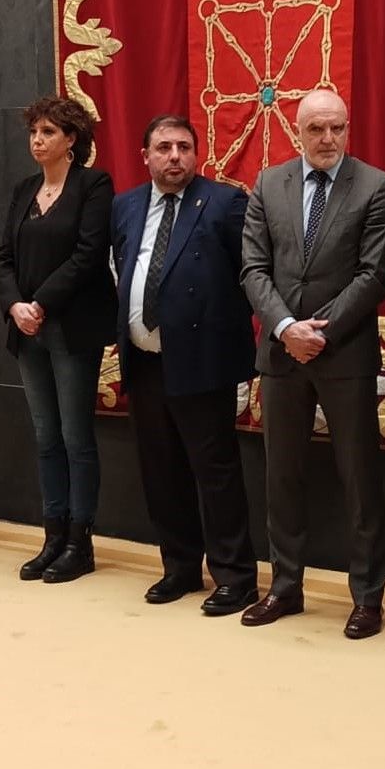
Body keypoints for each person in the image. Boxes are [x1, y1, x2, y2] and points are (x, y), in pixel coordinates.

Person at [238, 89, 385, 639]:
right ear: (297, 130)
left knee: (359, 477)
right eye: (316, 129)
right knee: (282, 475)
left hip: (344, 353)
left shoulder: (374, 186)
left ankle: (368, 596)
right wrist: (286, 328)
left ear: (347, 128)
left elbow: (374, 275)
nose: (328, 139)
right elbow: (253, 268)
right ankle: (285, 587)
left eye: (337, 128)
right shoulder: (267, 184)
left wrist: (318, 333)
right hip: (282, 353)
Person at [111, 115, 259, 617]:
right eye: (164, 147)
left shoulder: (224, 202)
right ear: (145, 156)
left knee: (215, 472)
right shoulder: (126, 205)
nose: (174, 156)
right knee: (161, 471)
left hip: (202, 361)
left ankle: (235, 576)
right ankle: (179, 567)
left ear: (197, 153)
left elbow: (250, 274)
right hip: (144, 360)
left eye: (183, 147)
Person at [0, 95, 116, 584]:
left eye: (47, 132)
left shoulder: (93, 185)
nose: (37, 140)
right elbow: (4, 257)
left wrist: (39, 303)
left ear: (71, 139)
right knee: (46, 437)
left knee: (75, 437)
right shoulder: (25, 189)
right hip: (27, 331)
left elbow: (88, 254)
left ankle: (79, 543)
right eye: (33, 132)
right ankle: (52, 535)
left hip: (72, 328)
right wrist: (15, 306)